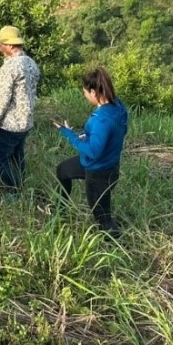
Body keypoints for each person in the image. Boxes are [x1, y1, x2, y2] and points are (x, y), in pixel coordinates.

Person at [53, 67, 128, 236]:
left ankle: (120, 247)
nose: (85, 96)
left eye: (85, 92)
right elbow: (116, 133)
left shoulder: (101, 119)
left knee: (103, 219)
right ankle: (58, 209)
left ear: (93, 92)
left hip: (99, 172)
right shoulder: (118, 107)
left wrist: (69, 135)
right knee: (62, 170)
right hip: (103, 164)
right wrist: (86, 136)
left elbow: (93, 151)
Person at [0, 26, 40, 194]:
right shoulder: (31, 63)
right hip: (26, 121)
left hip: (9, 124)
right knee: (17, 156)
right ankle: (21, 186)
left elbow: (2, 100)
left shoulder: (8, 69)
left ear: (9, 45)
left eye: (1, 44)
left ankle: (14, 191)